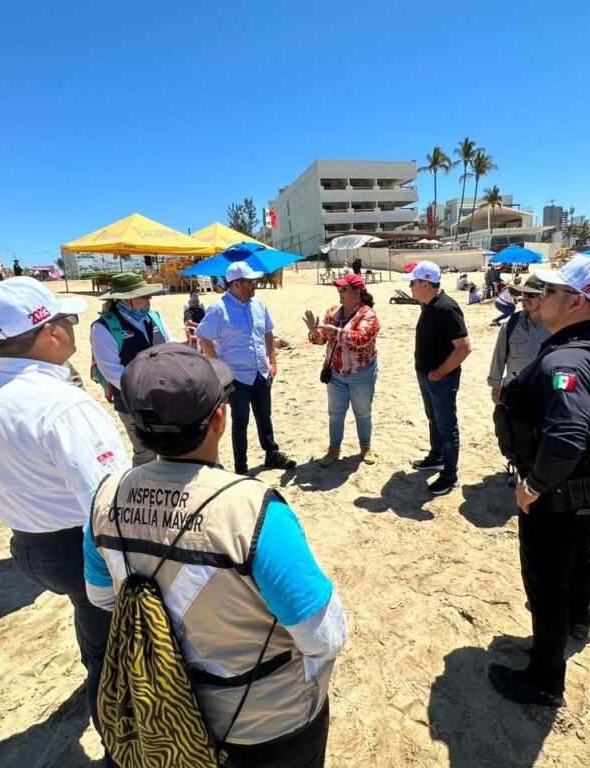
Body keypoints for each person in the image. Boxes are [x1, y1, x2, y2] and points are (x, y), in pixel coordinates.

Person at [84, 343, 347, 766]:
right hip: (263, 723)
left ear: (135, 427)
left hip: (161, 716)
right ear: (219, 421)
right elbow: (325, 636)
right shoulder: (251, 507)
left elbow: (102, 598)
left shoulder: (105, 497)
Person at [0, 277, 129, 764]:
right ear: (49, 332)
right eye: (68, 320)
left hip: (26, 546)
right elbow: (109, 500)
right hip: (80, 546)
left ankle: (95, 664)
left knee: (90, 620)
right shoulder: (62, 404)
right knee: (119, 658)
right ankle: (120, 745)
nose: (74, 328)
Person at [488, 255, 590, 707]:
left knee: (546, 583)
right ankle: (577, 621)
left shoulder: (568, 359)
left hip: (559, 491)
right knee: (579, 555)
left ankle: (544, 680)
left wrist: (533, 486)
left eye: (547, 292)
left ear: (575, 301)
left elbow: (566, 438)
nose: (537, 298)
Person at [196, 261, 297, 475]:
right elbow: (203, 337)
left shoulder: (258, 305)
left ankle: (271, 454)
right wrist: (219, 368)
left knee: (264, 416)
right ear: (235, 285)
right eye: (250, 282)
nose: (255, 285)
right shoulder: (219, 309)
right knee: (240, 422)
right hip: (237, 378)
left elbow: (268, 333)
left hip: (261, 373)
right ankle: (241, 468)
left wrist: (272, 362)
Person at [89, 272, 170, 466]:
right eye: (143, 296)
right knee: (146, 452)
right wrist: (146, 388)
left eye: (149, 295)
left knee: (169, 446)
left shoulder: (154, 317)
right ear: (124, 299)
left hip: (163, 396)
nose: (149, 300)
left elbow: (170, 347)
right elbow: (111, 371)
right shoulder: (103, 328)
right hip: (131, 402)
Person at [405, 260, 471, 496]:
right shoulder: (428, 305)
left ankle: (449, 475)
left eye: (413, 282)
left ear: (425, 284)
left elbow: (463, 347)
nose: (410, 286)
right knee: (433, 419)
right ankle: (437, 457)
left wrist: (441, 371)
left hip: (441, 379)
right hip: (427, 375)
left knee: (447, 427)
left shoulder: (446, 308)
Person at [304, 273, 381, 467]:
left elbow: (361, 339)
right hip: (336, 373)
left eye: (344, 289)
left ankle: (365, 446)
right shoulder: (333, 312)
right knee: (335, 414)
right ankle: (334, 448)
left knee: (362, 413)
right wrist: (314, 332)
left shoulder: (368, 314)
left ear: (358, 292)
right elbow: (322, 340)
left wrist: (335, 332)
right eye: (339, 289)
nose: (340, 292)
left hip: (361, 373)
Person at [487, 276, 551, 405]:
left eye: (531, 294)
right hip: (516, 392)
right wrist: (496, 385)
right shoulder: (511, 324)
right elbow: (499, 356)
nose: (525, 297)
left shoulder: (556, 326)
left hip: (546, 393)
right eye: (524, 293)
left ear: (545, 297)